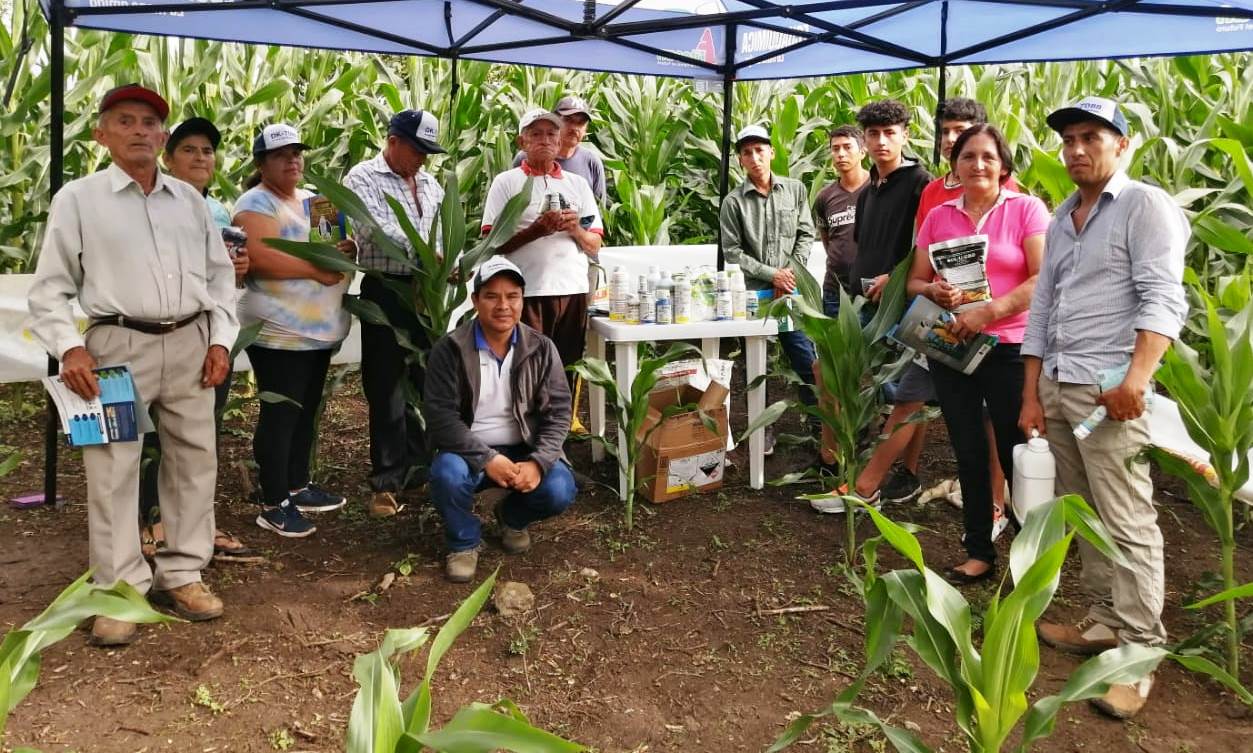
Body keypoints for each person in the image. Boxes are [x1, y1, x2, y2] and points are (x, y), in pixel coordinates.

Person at [27, 83, 238, 645]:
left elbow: (220, 278)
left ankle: (184, 571)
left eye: (150, 121)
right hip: (115, 349)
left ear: (163, 135)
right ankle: (120, 590)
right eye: (125, 120)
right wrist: (70, 347)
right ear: (102, 133)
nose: (140, 130)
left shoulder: (190, 201)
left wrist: (220, 340)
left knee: (196, 458)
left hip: (191, 343)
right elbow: (49, 290)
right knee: (113, 468)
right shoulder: (80, 199)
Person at [1020, 97, 1188, 720]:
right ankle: (1103, 620)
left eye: (1091, 136)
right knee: (1082, 511)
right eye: (1068, 139)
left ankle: (1140, 652)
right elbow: (1043, 310)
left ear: (1122, 144)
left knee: (1126, 517)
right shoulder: (1064, 215)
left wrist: (1136, 379)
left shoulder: (1144, 206)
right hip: (1062, 388)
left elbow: (1163, 298)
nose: (1077, 149)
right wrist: (1032, 391)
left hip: (1109, 391)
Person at [908, 124, 1049, 584]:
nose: (978, 164)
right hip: (952, 345)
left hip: (1010, 347)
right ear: (956, 165)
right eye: (968, 157)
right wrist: (935, 290)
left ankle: (1029, 558)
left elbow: (1041, 279)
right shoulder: (939, 217)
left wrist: (989, 312)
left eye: (988, 156)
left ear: (1003, 165)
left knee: (1014, 452)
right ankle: (978, 550)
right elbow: (914, 282)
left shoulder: (1026, 209)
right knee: (967, 449)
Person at [137, 116, 255, 564]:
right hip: (162, 333)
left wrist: (239, 271)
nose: (201, 158)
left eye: (207, 151)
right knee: (152, 435)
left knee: (203, 432)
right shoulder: (150, 206)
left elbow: (227, 275)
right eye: (190, 150)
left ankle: (195, 523)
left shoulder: (220, 213)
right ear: (168, 158)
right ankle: (152, 521)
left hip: (213, 334)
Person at [424, 257, 577, 583]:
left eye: (512, 296)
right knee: (446, 475)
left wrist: (537, 463)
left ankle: (511, 517)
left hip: (524, 448)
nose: (503, 305)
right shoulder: (450, 349)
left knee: (560, 488)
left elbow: (559, 411)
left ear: (522, 300)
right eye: (492, 296)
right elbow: (441, 417)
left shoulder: (541, 348)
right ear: (475, 300)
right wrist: (486, 458)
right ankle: (464, 541)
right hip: (468, 451)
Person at [234, 124, 353, 538]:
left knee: (305, 411)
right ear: (262, 163)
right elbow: (259, 257)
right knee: (281, 412)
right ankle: (273, 500)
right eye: (282, 155)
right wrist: (315, 271)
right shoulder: (255, 202)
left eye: (297, 153)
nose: (293, 161)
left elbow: (336, 248)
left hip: (319, 329)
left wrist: (346, 250)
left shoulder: (316, 201)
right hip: (278, 329)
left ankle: (298, 485)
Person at [813, 100, 932, 511]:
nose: (882, 142)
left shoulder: (920, 183)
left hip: (897, 305)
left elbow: (925, 244)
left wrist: (895, 277)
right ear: (866, 139)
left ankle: (884, 481)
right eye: (874, 134)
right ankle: (851, 469)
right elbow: (862, 244)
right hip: (864, 303)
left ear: (905, 135)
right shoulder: (868, 193)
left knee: (902, 392)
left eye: (890, 133)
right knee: (847, 380)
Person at [344, 109, 446, 519]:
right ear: (393, 140)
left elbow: (441, 230)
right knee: (386, 385)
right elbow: (374, 231)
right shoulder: (362, 178)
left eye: (428, 151)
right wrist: (429, 253)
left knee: (424, 378)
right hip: (388, 289)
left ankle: (418, 468)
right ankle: (386, 479)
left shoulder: (430, 182)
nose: (423, 159)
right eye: (417, 149)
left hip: (428, 291)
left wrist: (446, 258)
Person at [482, 108, 603, 382]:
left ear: (560, 142)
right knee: (527, 371)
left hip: (572, 292)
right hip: (526, 291)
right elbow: (489, 244)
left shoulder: (578, 185)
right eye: (536, 134)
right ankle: (526, 425)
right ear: (522, 142)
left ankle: (558, 426)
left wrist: (575, 229)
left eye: (551, 134)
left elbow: (594, 244)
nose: (545, 140)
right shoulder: (507, 183)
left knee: (566, 369)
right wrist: (535, 231)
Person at [722, 123, 818, 449]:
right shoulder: (733, 203)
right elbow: (732, 252)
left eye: (760, 150)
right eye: (747, 153)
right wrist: (771, 275)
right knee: (756, 362)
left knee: (805, 356)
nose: (754, 157)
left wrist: (788, 274)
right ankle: (762, 427)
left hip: (791, 290)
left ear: (772, 152)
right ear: (740, 160)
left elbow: (806, 234)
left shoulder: (795, 190)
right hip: (755, 295)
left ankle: (820, 422)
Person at [813, 124, 870, 317]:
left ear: (863, 152)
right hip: (835, 293)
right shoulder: (824, 197)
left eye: (847, 147)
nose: (840, 154)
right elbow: (827, 239)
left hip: (872, 292)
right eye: (835, 149)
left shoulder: (879, 190)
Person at [512, 95, 606, 203]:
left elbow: (598, 211)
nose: (574, 128)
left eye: (581, 123)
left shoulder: (592, 162)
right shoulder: (525, 157)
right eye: (568, 120)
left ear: (586, 129)